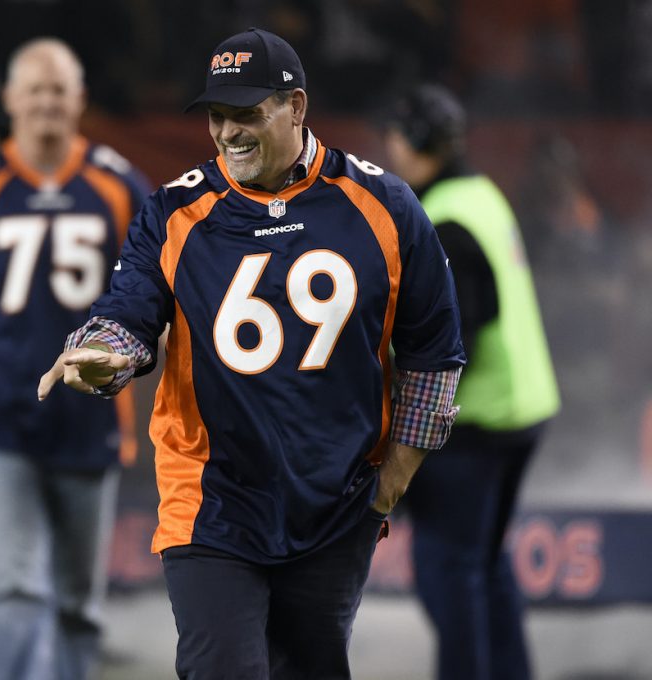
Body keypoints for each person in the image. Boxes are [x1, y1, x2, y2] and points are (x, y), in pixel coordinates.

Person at [39, 28, 466, 679]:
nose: (228, 132)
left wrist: (393, 482)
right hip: (212, 501)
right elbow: (126, 315)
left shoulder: (386, 205)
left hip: (333, 503)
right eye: (218, 115)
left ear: (295, 108)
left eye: (247, 114)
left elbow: (434, 350)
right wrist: (101, 356)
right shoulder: (174, 212)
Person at [0, 38, 149, 680]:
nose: (45, 102)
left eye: (58, 90)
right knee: (13, 586)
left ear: (80, 101)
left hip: (90, 417)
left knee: (75, 604)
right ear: (9, 100)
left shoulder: (118, 184)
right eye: (34, 90)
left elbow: (166, 298)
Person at [381, 84, 560, 680]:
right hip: (521, 412)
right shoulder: (479, 195)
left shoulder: (443, 219)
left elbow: (457, 335)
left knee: (448, 574)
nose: (388, 148)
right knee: (486, 564)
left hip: (475, 426)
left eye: (396, 137)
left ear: (415, 143)